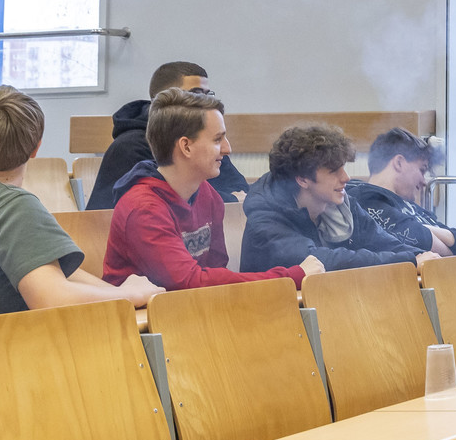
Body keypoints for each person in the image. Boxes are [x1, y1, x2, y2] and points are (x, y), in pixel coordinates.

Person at [0, 86, 164, 315]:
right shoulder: (15, 207)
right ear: (35, 149)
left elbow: (55, 270)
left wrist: (115, 292)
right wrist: (128, 295)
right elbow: (52, 297)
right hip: (9, 340)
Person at [102, 88, 320, 290]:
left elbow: (216, 273)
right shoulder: (143, 208)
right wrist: (292, 276)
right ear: (186, 146)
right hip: (142, 317)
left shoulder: (207, 195)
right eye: (217, 139)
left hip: (190, 309)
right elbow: (189, 282)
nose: (227, 148)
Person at [240, 123, 436, 273]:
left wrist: (421, 256)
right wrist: (409, 261)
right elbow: (324, 261)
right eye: (334, 171)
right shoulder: (265, 218)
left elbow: (383, 242)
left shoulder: (340, 204)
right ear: (302, 179)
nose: (346, 178)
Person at [87, 61, 249, 209]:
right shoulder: (131, 146)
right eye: (197, 94)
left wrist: (231, 198)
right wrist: (230, 199)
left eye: (208, 95)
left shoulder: (203, 138)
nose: (205, 103)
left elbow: (240, 188)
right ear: (166, 99)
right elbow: (166, 199)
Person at [347, 127, 456, 255]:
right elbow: (421, 242)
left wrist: (422, 228)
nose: (424, 181)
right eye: (422, 170)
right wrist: (449, 247)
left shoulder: (413, 208)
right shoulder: (365, 199)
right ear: (399, 163)